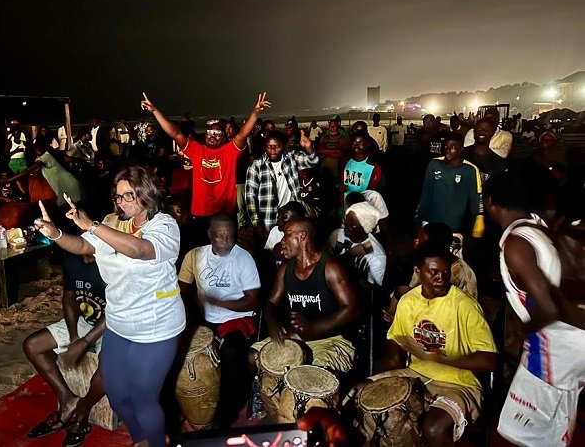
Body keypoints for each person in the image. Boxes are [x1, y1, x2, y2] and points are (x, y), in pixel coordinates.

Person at [33, 166, 186, 447]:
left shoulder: (165, 225)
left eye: (129, 195)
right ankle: (142, 438)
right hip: (118, 323)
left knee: (144, 398)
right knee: (115, 393)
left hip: (156, 328)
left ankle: (155, 442)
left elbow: (139, 249)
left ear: (147, 193)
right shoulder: (112, 222)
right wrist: (55, 233)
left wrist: (92, 225)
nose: (122, 202)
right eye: (118, 197)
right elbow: (81, 247)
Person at [484, 171, 585, 446]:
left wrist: (526, 333)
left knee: (521, 431)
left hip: (554, 343)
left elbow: (548, 307)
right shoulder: (537, 225)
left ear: (490, 203)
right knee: (553, 424)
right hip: (575, 337)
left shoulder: (515, 243)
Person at [365, 241, 497, 446]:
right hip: (416, 375)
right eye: (433, 272)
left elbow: (490, 361)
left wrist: (437, 357)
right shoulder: (408, 302)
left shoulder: (465, 305)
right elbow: (396, 343)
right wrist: (390, 360)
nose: (441, 279)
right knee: (361, 394)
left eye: (445, 272)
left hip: (458, 384)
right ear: (418, 271)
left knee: (433, 427)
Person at [178, 214, 261, 428]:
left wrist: (219, 303)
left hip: (237, 318)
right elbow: (181, 290)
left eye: (229, 236)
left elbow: (253, 301)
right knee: (179, 347)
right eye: (218, 236)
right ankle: (182, 406)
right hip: (206, 319)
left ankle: (224, 416)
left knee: (231, 353)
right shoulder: (195, 256)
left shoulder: (244, 259)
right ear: (209, 235)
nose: (224, 241)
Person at [250, 218, 358, 375]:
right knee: (253, 357)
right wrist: (272, 322)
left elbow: (352, 309)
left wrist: (315, 327)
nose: (281, 241)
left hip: (332, 340)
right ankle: (268, 399)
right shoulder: (285, 269)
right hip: (295, 336)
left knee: (313, 376)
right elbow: (270, 302)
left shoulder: (330, 267)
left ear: (302, 236)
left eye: (286, 234)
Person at [141, 92, 271, 221]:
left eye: (217, 133)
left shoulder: (230, 151)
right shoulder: (196, 150)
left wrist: (255, 113)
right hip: (201, 212)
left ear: (224, 138)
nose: (212, 135)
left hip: (225, 212)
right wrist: (154, 110)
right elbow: (175, 133)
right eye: (210, 131)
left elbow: (242, 134)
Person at [24, 254, 107, 445]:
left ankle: (83, 411)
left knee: (108, 369)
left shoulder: (112, 261)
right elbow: (69, 298)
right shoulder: (72, 261)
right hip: (86, 322)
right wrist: (73, 337)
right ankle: (67, 399)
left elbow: (117, 311)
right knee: (32, 345)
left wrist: (85, 342)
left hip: (114, 326)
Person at [245, 129, 318, 237]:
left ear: (283, 145)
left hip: (291, 216)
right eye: (269, 146)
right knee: (270, 249)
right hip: (268, 219)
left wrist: (308, 148)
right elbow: (250, 196)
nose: (272, 150)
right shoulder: (257, 166)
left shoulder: (292, 158)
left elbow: (312, 161)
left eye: (276, 146)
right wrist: (256, 223)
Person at [416, 132, 484, 237]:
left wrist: (476, 228)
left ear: (461, 149)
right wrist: (420, 219)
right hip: (432, 221)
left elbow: (475, 200)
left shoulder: (469, 170)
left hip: (454, 225)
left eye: (452, 147)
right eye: (446, 146)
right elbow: (426, 194)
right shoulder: (434, 164)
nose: (448, 149)